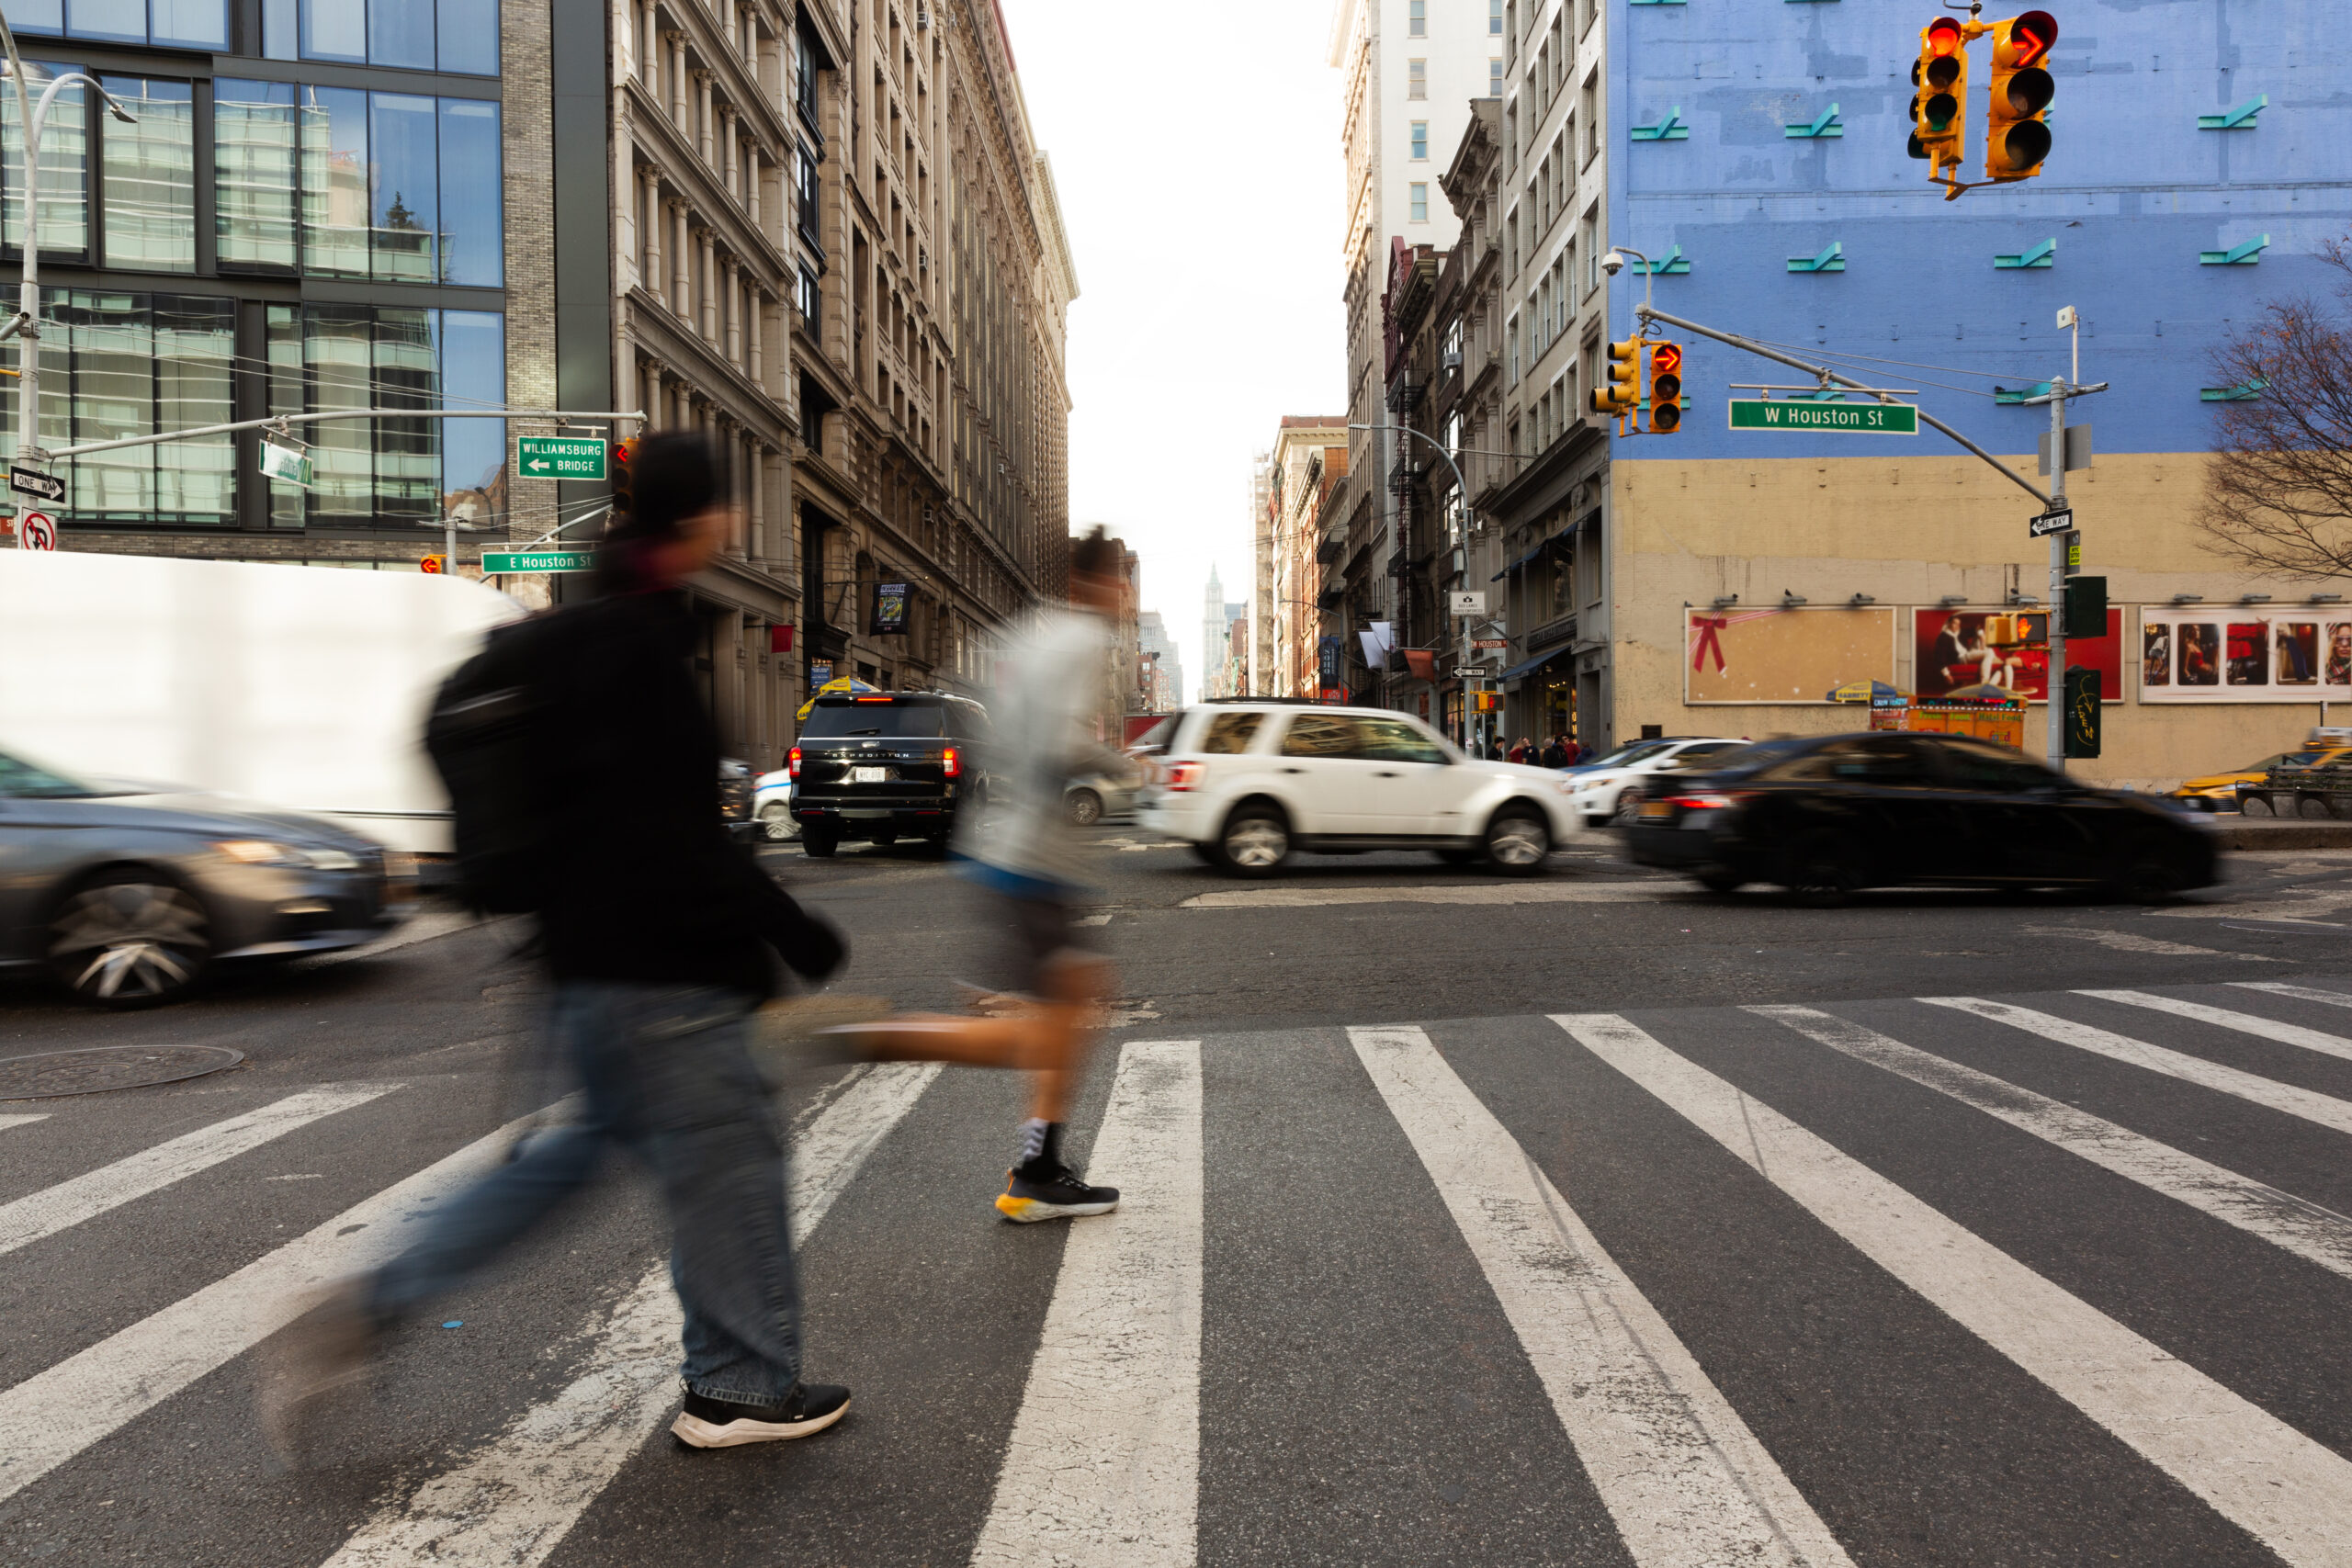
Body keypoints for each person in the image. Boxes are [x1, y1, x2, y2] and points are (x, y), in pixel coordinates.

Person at [263, 433, 854, 1457]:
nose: (736, 524)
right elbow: (678, 835)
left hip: (584, 970)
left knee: (559, 1167)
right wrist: (792, 930)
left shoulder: (582, 625)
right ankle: (742, 1387)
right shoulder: (638, 649)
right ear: (698, 520)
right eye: (726, 507)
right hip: (662, 978)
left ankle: (367, 1304)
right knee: (729, 1168)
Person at [819, 527, 1125, 1224]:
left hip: (1013, 849)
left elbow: (1007, 735)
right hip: (1035, 860)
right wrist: (1121, 766)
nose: (1124, 596)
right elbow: (1054, 745)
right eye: (1122, 583)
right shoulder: (1080, 642)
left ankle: (1038, 1168)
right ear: (1105, 584)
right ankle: (859, 1037)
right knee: (1047, 1026)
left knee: (1073, 1006)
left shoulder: (1031, 635)